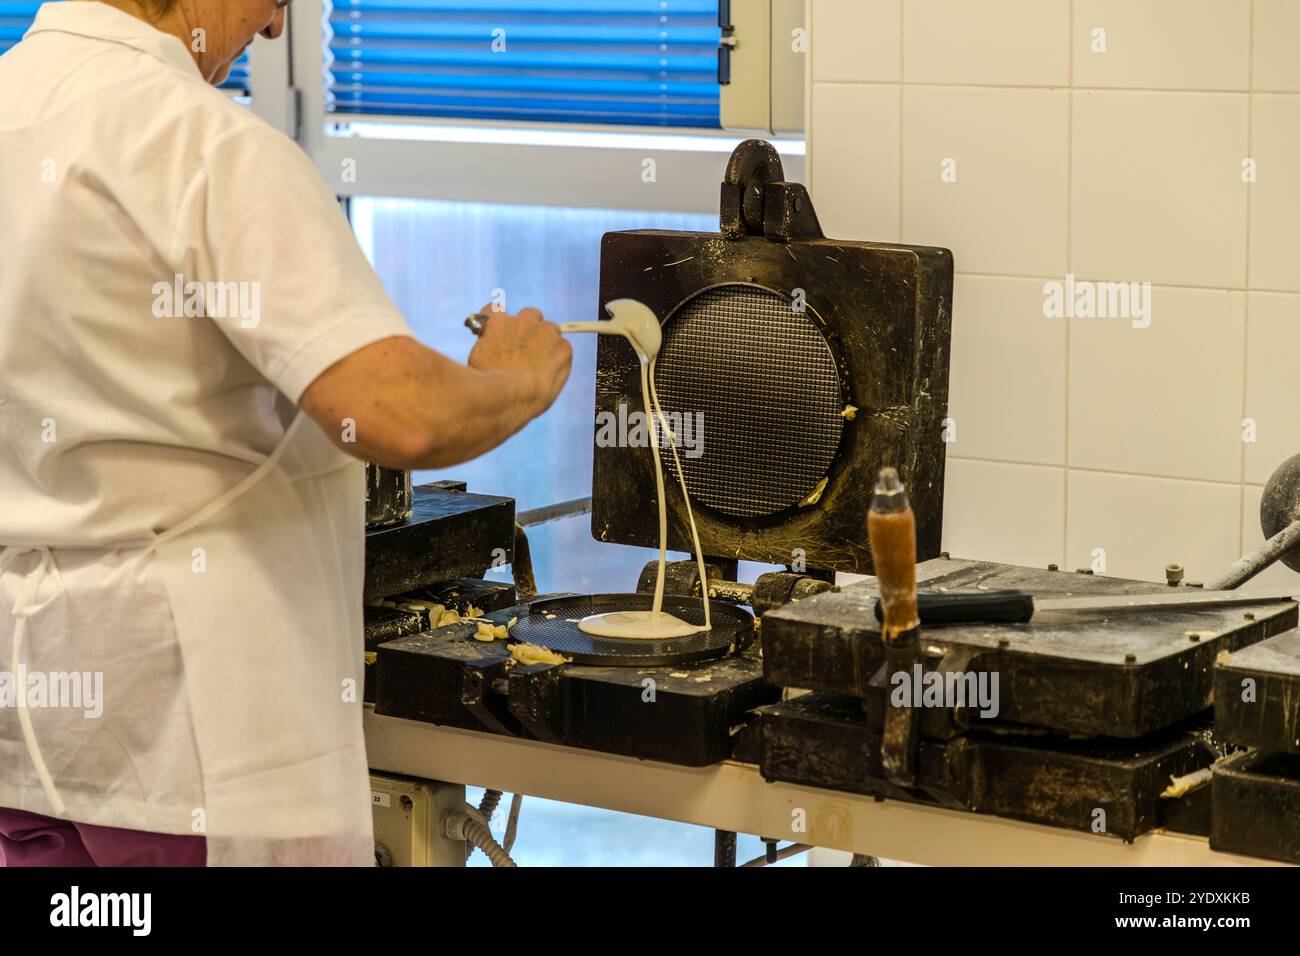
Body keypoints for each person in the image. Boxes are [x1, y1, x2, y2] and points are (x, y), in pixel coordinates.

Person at [0, 0, 572, 866]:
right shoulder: (202, 144)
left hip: (32, 725)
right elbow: (400, 416)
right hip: (193, 744)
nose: (274, 30)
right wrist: (518, 376)